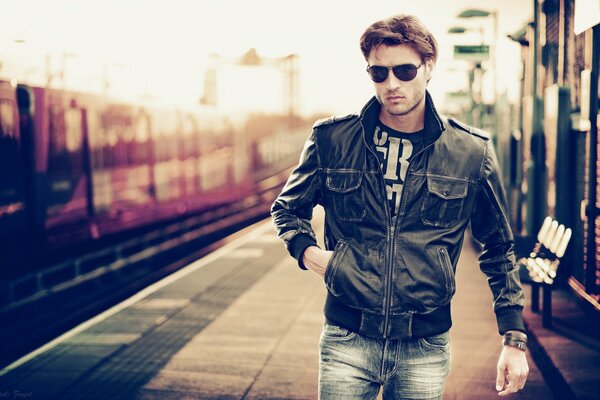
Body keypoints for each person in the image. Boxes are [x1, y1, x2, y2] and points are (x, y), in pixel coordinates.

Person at [270, 14, 529, 400]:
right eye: (379, 73)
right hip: (346, 338)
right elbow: (288, 209)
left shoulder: (470, 152)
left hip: (424, 346)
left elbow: (499, 246)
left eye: (405, 70)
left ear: (429, 68)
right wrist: (313, 256)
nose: (392, 84)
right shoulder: (332, 139)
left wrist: (513, 336)